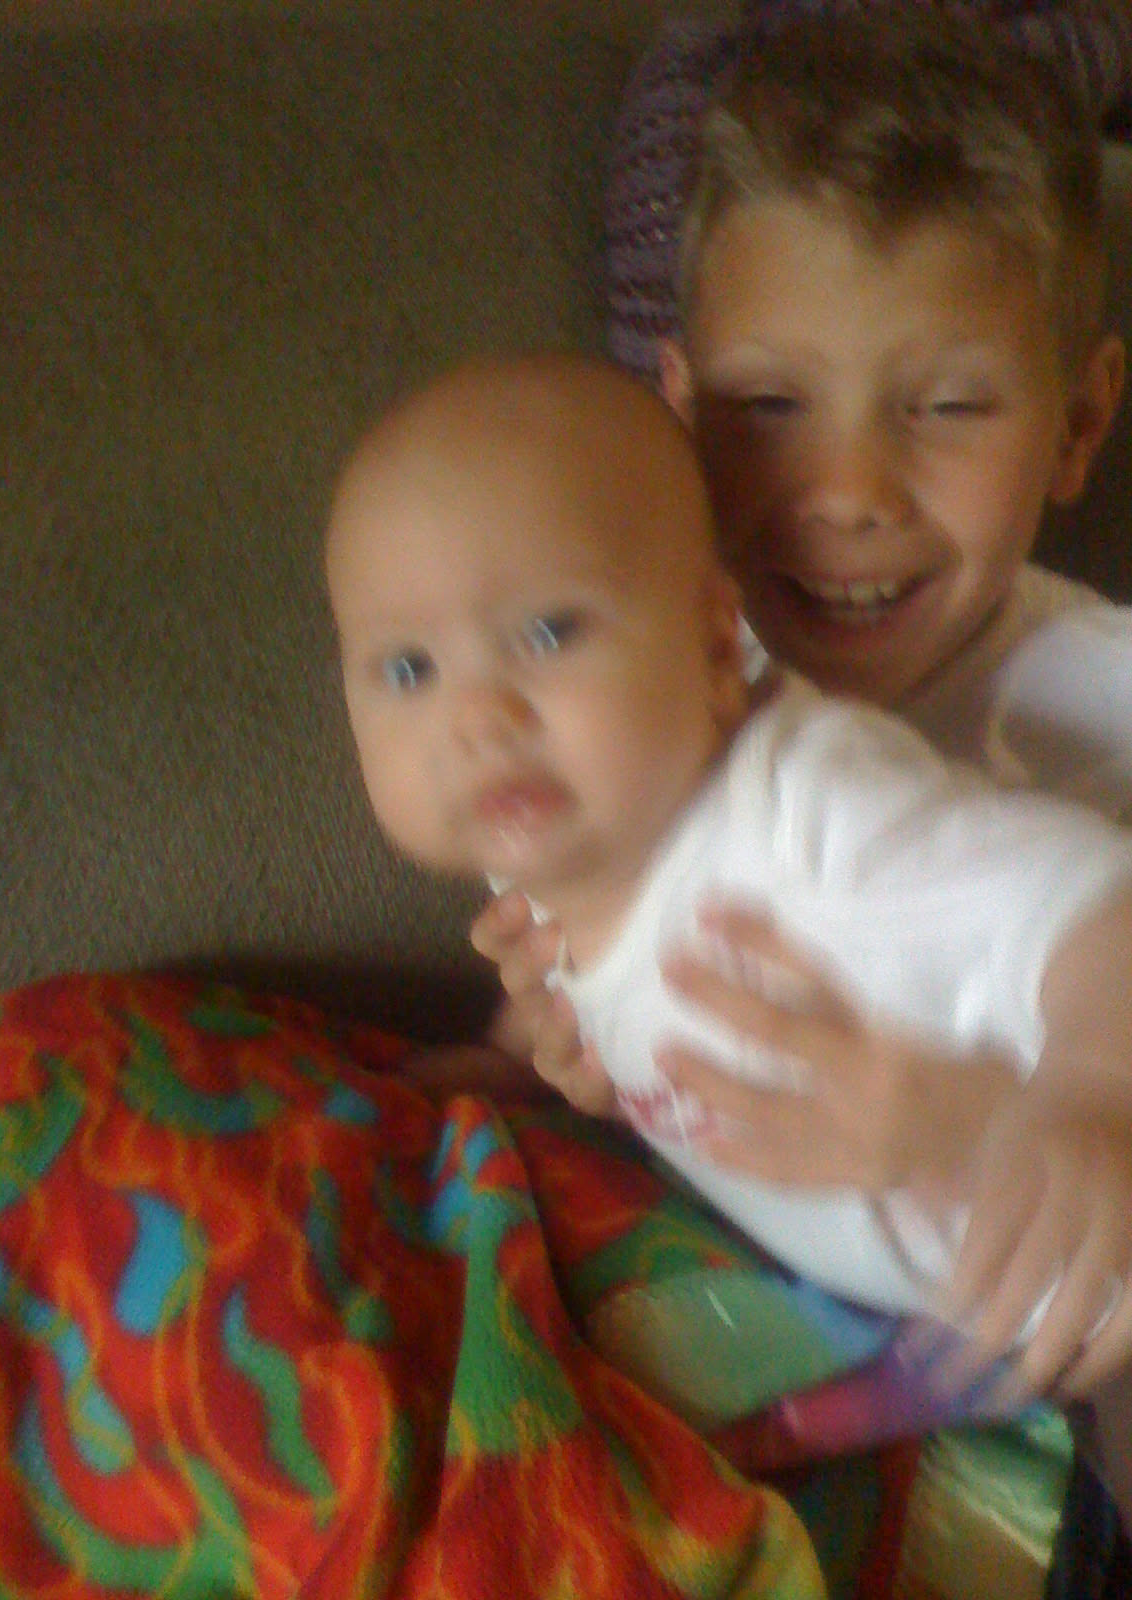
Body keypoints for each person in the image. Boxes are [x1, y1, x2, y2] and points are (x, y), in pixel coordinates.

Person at [472, 7, 1132, 1583]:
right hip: (810, 1330)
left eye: (949, 405)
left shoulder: (1099, 700)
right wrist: (550, 1041)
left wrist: (1026, 1115)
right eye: (769, 407)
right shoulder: (649, 698)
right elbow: (614, 970)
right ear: (677, 403)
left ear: (1078, 423)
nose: (844, 492)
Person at [325, 347, 1132, 1346]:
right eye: (409, 669)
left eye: (548, 634)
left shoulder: (809, 809)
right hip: (1000, 1322)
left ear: (715, 646)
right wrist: (520, 1058)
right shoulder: (550, 843)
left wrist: (1098, 1088)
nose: (477, 718)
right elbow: (586, 986)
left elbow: (1103, 901)